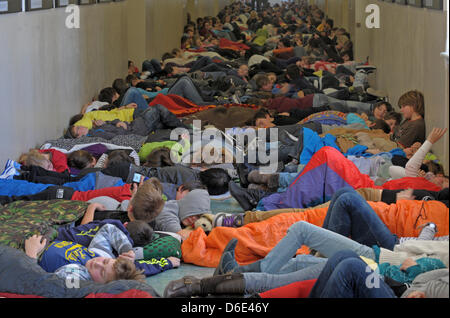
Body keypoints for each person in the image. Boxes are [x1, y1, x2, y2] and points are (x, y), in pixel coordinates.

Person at [163, 188, 448, 297]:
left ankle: (236, 274)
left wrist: (412, 269)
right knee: (323, 212)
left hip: (384, 259)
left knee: (302, 235)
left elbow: (422, 274)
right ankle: (236, 273)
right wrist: (428, 231)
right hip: (390, 252)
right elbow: (425, 255)